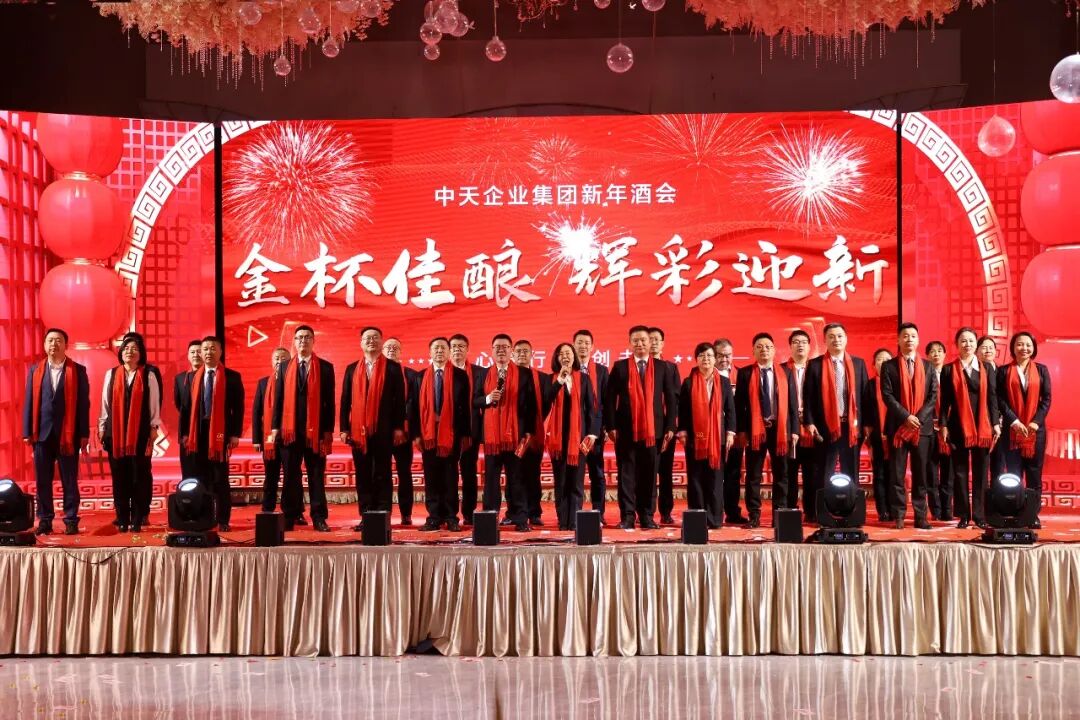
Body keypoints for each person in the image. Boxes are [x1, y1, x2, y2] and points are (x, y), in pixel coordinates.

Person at [604, 325, 676, 530]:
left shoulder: (662, 367)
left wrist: (670, 425)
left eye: (643, 340)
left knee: (649, 475)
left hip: (655, 431)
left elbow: (670, 399)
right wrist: (611, 426)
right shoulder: (620, 367)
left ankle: (647, 515)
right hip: (626, 431)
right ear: (630, 343)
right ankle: (627, 515)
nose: (640, 344)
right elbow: (609, 399)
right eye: (635, 340)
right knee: (626, 475)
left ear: (650, 342)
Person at [23, 328, 90, 535]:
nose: (54, 344)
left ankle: (71, 519)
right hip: (42, 434)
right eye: (50, 340)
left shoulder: (78, 371)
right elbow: (29, 402)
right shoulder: (35, 370)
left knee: (69, 479)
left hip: (68, 435)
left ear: (65, 345)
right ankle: (45, 519)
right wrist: (27, 431)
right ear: (45, 345)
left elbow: (83, 404)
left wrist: (83, 433)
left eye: (58, 340)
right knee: (42, 480)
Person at [270, 325, 335, 532]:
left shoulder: (325, 368)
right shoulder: (284, 367)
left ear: (313, 341)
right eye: (299, 338)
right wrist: (275, 427)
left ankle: (319, 517)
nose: (303, 341)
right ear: (294, 342)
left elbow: (329, 402)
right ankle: (289, 516)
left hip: (315, 432)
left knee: (316, 475)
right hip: (289, 432)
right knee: (290, 475)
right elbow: (278, 400)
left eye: (307, 337)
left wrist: (328, 431)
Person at [341, 327, 407, 528]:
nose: (371, 341)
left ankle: (382, 514)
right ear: (361, 343)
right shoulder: (352, 369)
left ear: (381, 342)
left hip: (384, 429)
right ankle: (366, 514)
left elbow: (399, 401)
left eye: (375, 337)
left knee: (382, 472)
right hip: (358, 432)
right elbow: (345, 401)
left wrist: (398, 427)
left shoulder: (393, 368)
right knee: (363, 474)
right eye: (367, 338)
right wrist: (344, 428)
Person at [802, 323, 870, 522]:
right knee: (823, 472)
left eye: (840, 336)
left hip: (851, 427)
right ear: (825, 340)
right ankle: (821, 513)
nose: (836, 340)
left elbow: (865, 396)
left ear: (846, 339)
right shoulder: (815, 365)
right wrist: (809, 422)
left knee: (851, 471)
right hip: (825, 428)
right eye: (831, 336)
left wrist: (867, 424)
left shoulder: (858, 363)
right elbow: (808, 397)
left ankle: (851, 512)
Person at [179, 336, 244, 532]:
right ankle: (202, 517)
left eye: (213, 348)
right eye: (205, 349)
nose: (208, 352)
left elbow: (238, 408)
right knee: (198, 478)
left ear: (220, 352)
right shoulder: (192, 377)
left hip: (220, 433)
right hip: (196, 434)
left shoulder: (232, 377)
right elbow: (185, 409)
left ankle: (223, 519)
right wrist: (184, 434)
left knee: (219, 478)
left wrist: (235, 434)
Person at [99, 334, 162, 533]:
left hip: (140, 434)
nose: (130, 352)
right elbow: (105, 404)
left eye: (134, 349)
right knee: (119, 477)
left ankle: (137, 517)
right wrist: (102, 427)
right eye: (126, 348)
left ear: (141, 353)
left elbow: (154, 404)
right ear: (120, 352)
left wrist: (154, 427)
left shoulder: (148, 374)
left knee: (139, 476)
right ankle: (122, 517)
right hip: (115, 434)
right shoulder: (111, 374)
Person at [735, 333, 799, 528]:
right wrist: (742, 431)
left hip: (780, 431)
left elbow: (793, 404)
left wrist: (794, 430)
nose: (764, 350)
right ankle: (754, 515)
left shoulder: (786, 372)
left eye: (768, 347)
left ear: (774, 350)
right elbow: (739, 406)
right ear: (753, 351)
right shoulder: (745, 373)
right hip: (755, 431)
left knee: (782, 474)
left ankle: (779, 515)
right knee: (753, 475)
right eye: (759, 347)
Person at [475, 333, 537, 532]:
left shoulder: (524, 374)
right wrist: (487, 398)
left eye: (505, 347)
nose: (501, 350)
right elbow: (474, 400)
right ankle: (489, 518)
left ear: (511, 351)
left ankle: (520, 518)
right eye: (497, 347)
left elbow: (531, 405)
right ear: (491, 351)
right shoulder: (483, 374)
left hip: (516, 436)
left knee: (517, 479)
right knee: (491, 480)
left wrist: (529, 431)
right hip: (492, 438)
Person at [880, 322, 939, 530]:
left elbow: (932, 396)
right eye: (905, 336)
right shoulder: (889, 366)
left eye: (913, 336)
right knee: (897, 474)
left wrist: (918, 418)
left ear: (918, 340)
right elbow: (887, 395)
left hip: (922, 429)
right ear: (898, 340)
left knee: (921, 474)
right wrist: (906, 416)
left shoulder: (929, 366)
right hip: (898, 427)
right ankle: (898, 515)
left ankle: (921, 517)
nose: (909, 339)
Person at [939, 327, 999, 530]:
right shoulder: (949, 370)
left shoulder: (987, 368)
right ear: (957, 345)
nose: (967, 344)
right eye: (963, 341)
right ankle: (964, 515)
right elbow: (945, 401)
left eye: (971, 341)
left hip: (983, 428)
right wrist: (944, 425)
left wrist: (996, 423)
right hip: (958, 427)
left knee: (982, 473)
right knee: (960, 472)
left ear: (976, 344)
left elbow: (992, 398)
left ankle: (980, 515)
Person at [409, 337, 471, 532]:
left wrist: (465, 433)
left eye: (443, 348)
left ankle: (451, 517)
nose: (439, 351)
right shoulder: (419, 377)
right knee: (431, 475)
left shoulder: (460, 376)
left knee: (450, 475)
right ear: (430, 352)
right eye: (435, 348)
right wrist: (416, 434)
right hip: (428, 434)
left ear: (449, 352)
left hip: (451, 433)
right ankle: (434, 517)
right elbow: (412, 408)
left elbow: (465, 407)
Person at [996, 331, 1052, 529]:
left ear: (1033, 348)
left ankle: (1032, 515)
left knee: (1034, 474)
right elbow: (1000, 399)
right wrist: (1014, 421)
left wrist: (1035, 422)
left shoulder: (1042, 370)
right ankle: (1016, 513)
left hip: (1035, 431)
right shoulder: (1003, 371)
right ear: (1013, 347)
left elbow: (1046, 399)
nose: (1024, 348)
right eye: (1020, 344)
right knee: (1014, 474)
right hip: (1012, 431)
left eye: (1028, 345)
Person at [677, 343, 736, 529]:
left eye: (710, 355)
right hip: (694, 437)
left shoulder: (724, 382)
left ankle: (715, 519)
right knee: (695, 478)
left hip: (717, 438)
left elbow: (730, 410)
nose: (706, 359)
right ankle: (697, 517)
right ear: (696, 360)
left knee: (715, 479)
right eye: (702, 356)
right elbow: (683, 410)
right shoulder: (688, 382)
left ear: (715, 359)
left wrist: (730, 432)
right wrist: (682, 430)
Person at [545, 342, 601, 530]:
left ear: (574, 356)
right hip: (557, 440)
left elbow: (592, 409)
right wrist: (559, 381)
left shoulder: (584, 379)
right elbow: (545, 401)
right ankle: (563, 520)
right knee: (561, 482)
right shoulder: (550, 379)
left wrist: (592, 433)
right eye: (561, 354)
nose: (565, 356)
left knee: (576, 483)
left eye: (568, 353)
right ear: (556, 358)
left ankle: (575, 520)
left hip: (578, 438)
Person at [513, 339, 553, 527]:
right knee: (515, 475)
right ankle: (514, 512)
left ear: (532, 354)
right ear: (513, 354)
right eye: (519, 351)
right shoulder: (507, 376)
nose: (522, 354)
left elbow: (546, 404)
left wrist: (533, 426)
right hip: (513, 433)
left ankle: (534, 512)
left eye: (525, 351)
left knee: (533, 474)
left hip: (534, 433)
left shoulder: (543, 378)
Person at [450, 333, 487, 526]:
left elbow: (482, 399)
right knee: (448, 474)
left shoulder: (480, 372)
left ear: (467, 349)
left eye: (461, 346)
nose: (457, 350)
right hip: (447, 432)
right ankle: (449, 513)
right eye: (454, 346)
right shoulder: (441, 371)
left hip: (471, 431)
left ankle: (468, 512)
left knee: (469, 473)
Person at [573, 329, 610, 522]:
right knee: (575, 475)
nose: (583, 346)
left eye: (587, 343)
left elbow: (607, 401)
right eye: (579, 342)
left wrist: (603, 428)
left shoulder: (602, 371)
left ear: (592, 347)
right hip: (574, 431)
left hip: (595, 431)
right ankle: (574, 513)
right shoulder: (568, 370)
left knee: (597, 474)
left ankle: (598, 513)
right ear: (574, 345)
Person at [382, 337, 417, 525]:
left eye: (395, 347)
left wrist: (403, 428)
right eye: (388, 347)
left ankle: (406, 513)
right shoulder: (377, 373)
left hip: (404, 434)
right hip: (382, 433)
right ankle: (384, 513)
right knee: (383, 474)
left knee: (405, 473)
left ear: (400, 352)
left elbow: (414, 404)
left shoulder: (411, 375)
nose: (391, 350)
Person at [714, 338, 749, 524]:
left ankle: (733, 512)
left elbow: (746, 406)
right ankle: (713, 512)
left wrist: (741, 431)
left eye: (728, 355)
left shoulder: (741, 375)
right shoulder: (705, 374)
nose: (724, 359)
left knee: (733, 475)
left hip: (734, 433)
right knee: (714, 475)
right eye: (720, 355)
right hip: (712, 434)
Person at [649, 327, 681, 525]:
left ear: (662, 344)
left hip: (667, 429)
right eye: (649, 339)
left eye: (656, 339)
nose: (652, 343)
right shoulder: (639, 368)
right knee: (647, 473)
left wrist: (672, 427)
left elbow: (675, 400)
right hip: (646, 429)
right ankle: (647, 512)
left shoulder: (670, 368)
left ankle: (666, 512)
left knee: (666, 472)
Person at [252, 347, 290, 514]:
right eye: (276, 358)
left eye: (283, 358)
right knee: (271, 475)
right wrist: (256, 439)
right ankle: (267, 509)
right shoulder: (263, 383)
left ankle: (293, 512)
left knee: (291, 477)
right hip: (269, 438)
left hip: (289, 436)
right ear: (271, 361)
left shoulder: (294, 381)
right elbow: (256, 412)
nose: (279, 361)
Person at [783, 330, 816, 520]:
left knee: (812, 474)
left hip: (813, 430)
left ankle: (811, 512)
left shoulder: (817, 368)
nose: (800, 345)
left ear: (809, 346)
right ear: (790, 346)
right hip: (789, 430)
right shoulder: (782, 370)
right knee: (789, 474)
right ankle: (790, 512)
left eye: (804, 341)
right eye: (796, 342)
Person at [864, 348, 896, 521]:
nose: (883, 362)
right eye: (879, 359)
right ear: (873, 365)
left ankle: (895, 509)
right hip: (876, 437)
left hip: (896, 436)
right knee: (880, 474)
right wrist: (868, 440)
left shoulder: (897, 384)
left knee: (895, 474)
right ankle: (882, 510)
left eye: (887, 359)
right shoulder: (869, 385)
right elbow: (866, 414)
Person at [925, 340, 952, 520]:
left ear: (945, 354)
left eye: (940, 351)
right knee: (931, 472)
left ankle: (947, 510)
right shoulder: (923, 374)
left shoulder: (951, 374)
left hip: (949, 428)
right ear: (927, 355)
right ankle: (935, 510)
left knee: (949, 472)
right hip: (929, 428)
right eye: (932, 351)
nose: (936, 354)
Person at [173, 339, 203, 480]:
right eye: (192, 352)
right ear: (188, 356)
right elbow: (179, 404)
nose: (196, 355)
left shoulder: (212, 376)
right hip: (187, 432)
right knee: (188, 471)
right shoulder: (180, 378)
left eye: (199, 351)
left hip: (208, 430)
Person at [978, 335, 1007, 480]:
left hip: (1001, 423)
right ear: (977, 351)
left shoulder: (1003, 371)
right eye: (984, 347)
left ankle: (997, 491)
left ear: (996, 351)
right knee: (982, 463)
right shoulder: (974, 372)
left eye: (991, 348)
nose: (988, 350)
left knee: (999, 462)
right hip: (981, 422)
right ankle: (982, 492)